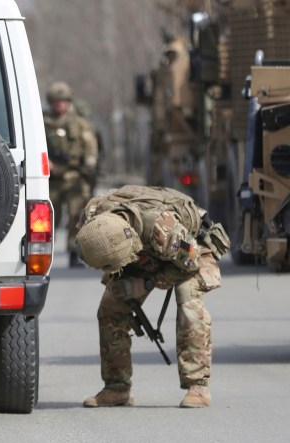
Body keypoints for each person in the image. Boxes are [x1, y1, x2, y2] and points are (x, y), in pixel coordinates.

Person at [74, 185, 231, 408]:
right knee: (111, 307)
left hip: (191, 250)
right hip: (145, 253)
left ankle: (198, 386)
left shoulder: (164, 231)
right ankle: (117, 388)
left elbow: (191, 263)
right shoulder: (93, 217)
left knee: (188, 299)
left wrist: (148, 283)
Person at [43, 81, 99, 267]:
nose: (61, 105)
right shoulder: (42, 123)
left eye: (64, 101)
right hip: (52, 178)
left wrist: (89, 164)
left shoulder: (80, 123)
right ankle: (41, 252)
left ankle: (74, 252)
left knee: (77, 215)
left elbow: (90, 146)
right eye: (57, 102)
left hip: (75, 176)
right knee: (48, 217)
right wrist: (44, 162)